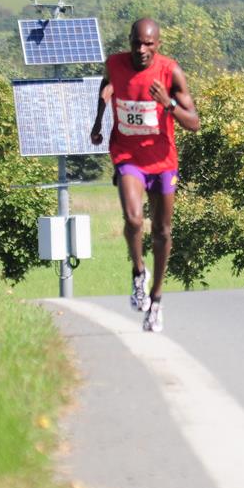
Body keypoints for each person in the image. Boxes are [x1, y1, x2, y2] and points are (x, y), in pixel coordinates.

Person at [90, 18, 199, 333]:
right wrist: (98, 121)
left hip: (163, 161)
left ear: (157, 45)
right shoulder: (114, 64)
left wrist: (168, 104)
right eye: (136, 43)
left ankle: (157, 298)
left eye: (148, 44)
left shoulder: (170, 72)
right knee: (134, 219)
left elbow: (194, 123)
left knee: (162, 231)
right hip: (128, 156)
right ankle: (139, 272)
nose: (141, 49)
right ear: (129, 41)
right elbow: (105, 87)